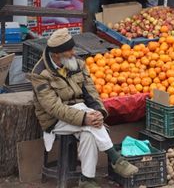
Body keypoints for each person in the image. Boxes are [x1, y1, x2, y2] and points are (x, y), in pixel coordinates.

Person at [30, 28, 138, 188]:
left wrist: (100, 112)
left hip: (83, 113)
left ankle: (87, 180)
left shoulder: (78, 64)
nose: (74, 53)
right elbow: (54, 108)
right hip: (55, 120)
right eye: (69, 50)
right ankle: (115, 158)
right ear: (57, 54)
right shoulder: (40, 74)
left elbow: (91, 92)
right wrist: (84, 118)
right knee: (87, 119)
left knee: (89, 129)